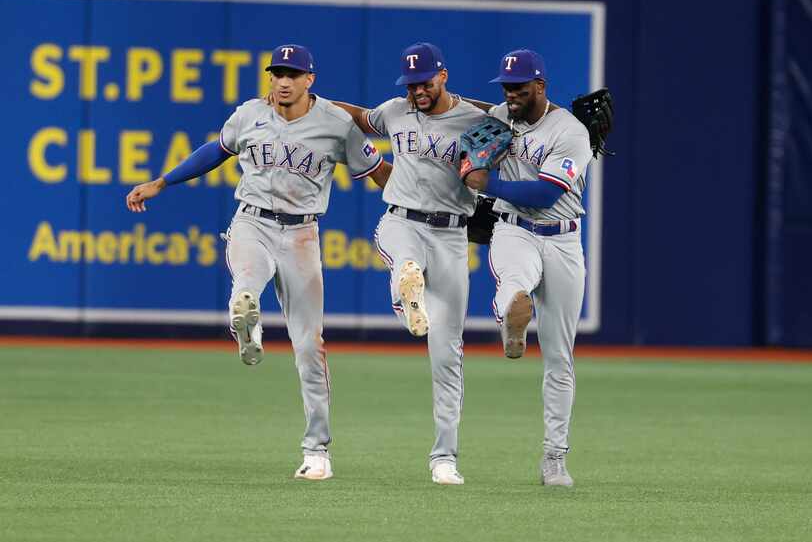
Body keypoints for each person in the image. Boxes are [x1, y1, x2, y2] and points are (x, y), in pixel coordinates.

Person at [125, 43, 390, 481]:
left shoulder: (336, 124)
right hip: (252, 221)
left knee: (309, 346)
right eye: (276, 73)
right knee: (246, 283)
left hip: (303, 233)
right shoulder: (249, 114)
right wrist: (162, 181)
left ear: (310, 80)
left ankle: (317, 450)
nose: (282, 81)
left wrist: (420, 194)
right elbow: (216, 150)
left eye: (292, 74)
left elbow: (376, 170)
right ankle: (245, 316)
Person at [335, 42, 486, 485]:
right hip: (401, 219)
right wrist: (313, 102)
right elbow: (360, 117)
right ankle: (409, 286)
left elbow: (520, 131)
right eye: (410, 83)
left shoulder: (476, 120)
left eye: (423, 82)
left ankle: (445, 458)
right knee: (404, 260)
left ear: (442, 76)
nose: (416, 90)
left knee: (447, 352)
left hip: (453, 235)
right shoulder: (395, 110)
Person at [461, 49, 593, 487]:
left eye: (519, 87)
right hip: (514, 229)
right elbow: (466, 149)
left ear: (541, 86)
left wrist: (488, 183)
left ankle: (554, 457)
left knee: (560, 358)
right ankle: (512, 319)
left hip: (563, 239)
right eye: (506, 87)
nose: (511, 94)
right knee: (515, 283)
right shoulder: (499, 115)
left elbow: (544, 195)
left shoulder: (571, 132)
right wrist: (470, 178)